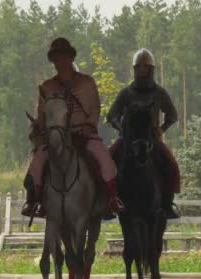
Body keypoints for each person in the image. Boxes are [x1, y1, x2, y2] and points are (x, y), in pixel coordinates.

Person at [21, 37, 125, 219]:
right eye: (56, 58)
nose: (59, 62)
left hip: (84, 133)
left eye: (63, 57)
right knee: (36, 165)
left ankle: (110, 200)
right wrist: (44, 130)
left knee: (106, 162)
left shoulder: (87, 83)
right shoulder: (47, 87)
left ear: (71, 58)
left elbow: (95, 108)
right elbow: (42, 115)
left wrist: (89, 126)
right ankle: (34, 202)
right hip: (57, 137)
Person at [106, 48, 181, 219]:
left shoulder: (159, 92)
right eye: (139, 67)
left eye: (145, 67)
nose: (142, 70)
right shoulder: (126, 93)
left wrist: (161, 129)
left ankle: (167, 204)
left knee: (171, 165)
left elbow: (173, 115)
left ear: (150, 69)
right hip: (127, 139)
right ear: (134, 69)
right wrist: (121, 129)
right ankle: (108, 202)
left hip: (151, 140)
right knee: (107, 163)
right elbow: (112, 115)